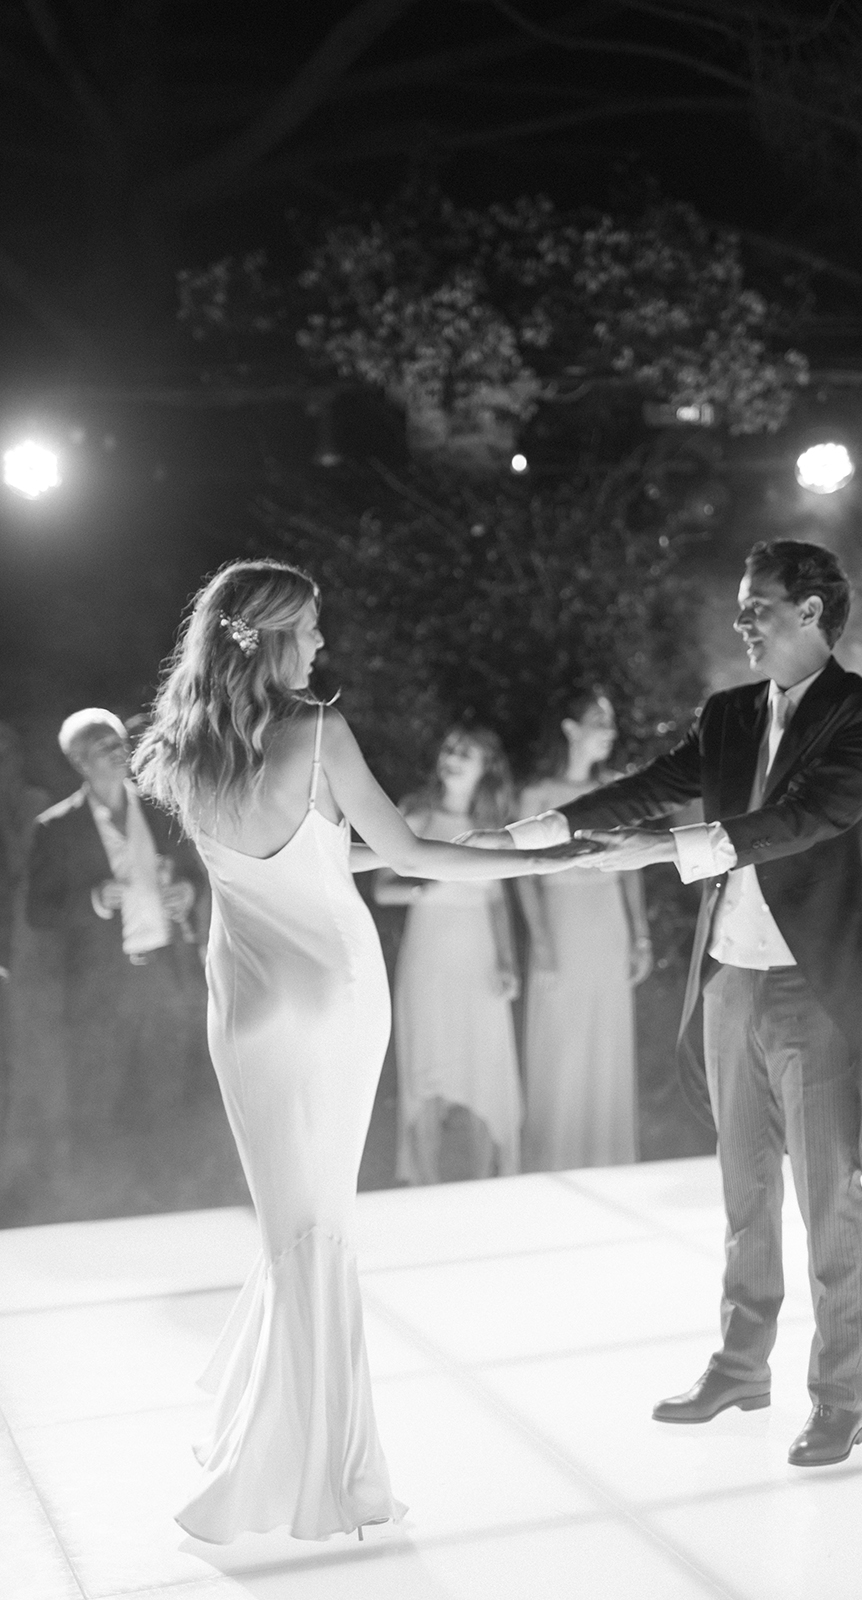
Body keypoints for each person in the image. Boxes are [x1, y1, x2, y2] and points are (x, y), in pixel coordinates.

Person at [132, 558, 593, 1543]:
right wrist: (540, 855)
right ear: (264, 637)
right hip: (335, 992)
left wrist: (498, 839)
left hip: (245, 1003)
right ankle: (324, 1474)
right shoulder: (316, 731)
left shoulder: (179, 746)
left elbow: (315, 852)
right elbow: (411, 851)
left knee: (285, 1226)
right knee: (325, 1228)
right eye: (310, 627)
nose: (323, 644)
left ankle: (269, 1449)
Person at [472, 540, 862, 1468]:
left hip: (811, 986)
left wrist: (660, 853)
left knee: (829, 1198)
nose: (741, 622)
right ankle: (741, 1365)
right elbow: (654, 787)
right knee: (743, 1190)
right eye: (739, 606)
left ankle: (839, 1398)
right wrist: (541, 830)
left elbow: (803, 821)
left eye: (758, 607)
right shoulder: (728, 714)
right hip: (726, 978)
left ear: (813, 613)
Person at [23, 709, 208, 1148]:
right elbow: (39, 912)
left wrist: (188, 890)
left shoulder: (161, 808)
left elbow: (196, 874)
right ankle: (105, 1203)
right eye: (104, 746)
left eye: (119, 740)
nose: (118, 750)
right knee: (102, 1100)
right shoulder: (57, 827)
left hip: (166, 972)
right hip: (101, 985)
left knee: (169, 1093)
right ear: (80, 762)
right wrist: (92, 901)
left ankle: (167, 1193)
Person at [376, 725, 523, 1183]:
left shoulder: (493, 828)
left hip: (478, 961)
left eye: (467, 753)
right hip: (428, 959)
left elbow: (498, 900)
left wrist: (506, 962)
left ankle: (487, 1180)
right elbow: (383, 890)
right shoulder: (415, 815)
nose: (453, 757)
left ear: (486, 770)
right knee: (428, 1065)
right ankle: (423, 1181)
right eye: (450, 748)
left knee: (483, 1064)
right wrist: (429, 885)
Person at [516, 689, 651, 1170]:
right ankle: (554, 1158)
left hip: (607, 921)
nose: (609, 733)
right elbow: (524, 876)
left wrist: (640, 936)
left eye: (611, 724)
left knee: (605, 1032)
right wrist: (542, 940)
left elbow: (631, 865)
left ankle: (608, 1156)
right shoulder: (537, 796)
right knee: (561, 1035)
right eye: (599, 721)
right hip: (560, 921)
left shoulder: (617, 789)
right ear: (571, 729)